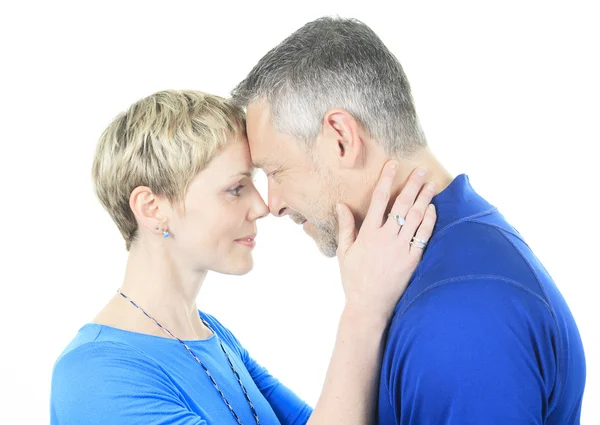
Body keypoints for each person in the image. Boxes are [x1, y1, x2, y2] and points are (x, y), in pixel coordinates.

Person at [231, 16, 587, 425]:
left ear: (341, 139)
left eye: (276, 171)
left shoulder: (463, 315)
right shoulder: (450, 260)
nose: (272, 204)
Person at [50, 90, 437, 425]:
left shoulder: (211, 336)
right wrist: (364, 308)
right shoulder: (95, 375)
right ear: (151, 208)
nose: (262, 206)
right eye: (236, 188)